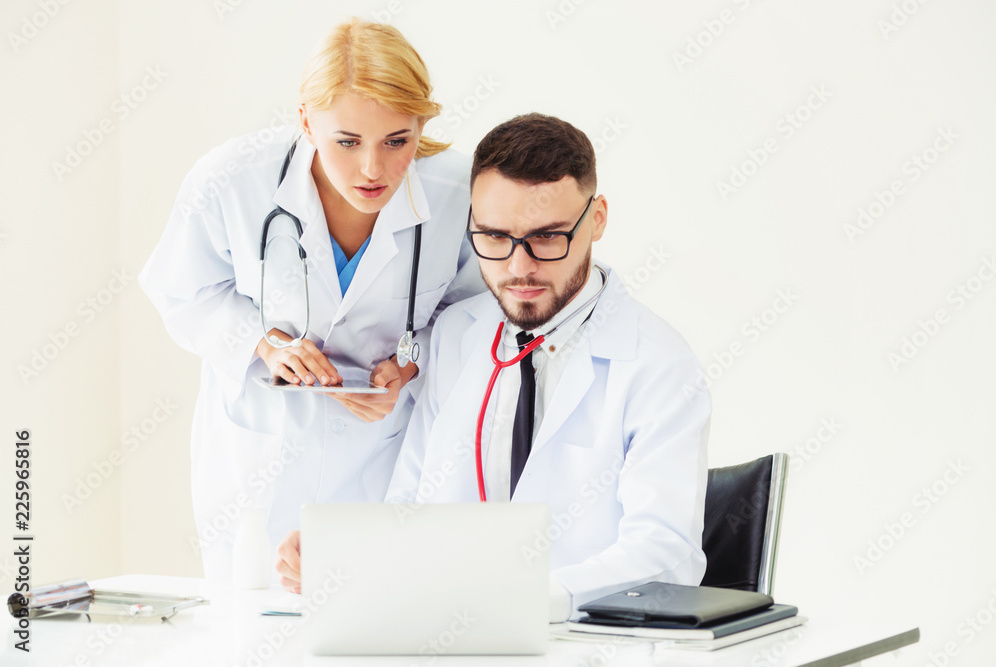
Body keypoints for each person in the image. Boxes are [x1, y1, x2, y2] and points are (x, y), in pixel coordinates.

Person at [275, 113, 711, 622]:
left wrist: (519, 601)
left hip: (581, 644)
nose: (518, 268)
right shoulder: (458, 334)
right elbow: (409, 505)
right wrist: (349, 559)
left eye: (547, 238)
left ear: (596, 219)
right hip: (450, 638)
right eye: (495, 237)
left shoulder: (658, 364)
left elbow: (667, 556)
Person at [138, 19, 484, 580]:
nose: (373, 169)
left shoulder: (458, 193)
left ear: (422, 122)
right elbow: (181, 289)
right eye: (346, 142)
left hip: (385, 457)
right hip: (260, 463)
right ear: (305, 120)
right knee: (256, 638)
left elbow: (472, 315)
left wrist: (413, 361)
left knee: (373, 623)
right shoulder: (232, 180)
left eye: (398, 140)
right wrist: (262, 344)